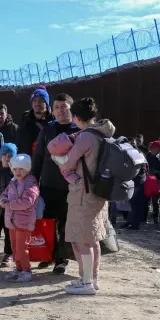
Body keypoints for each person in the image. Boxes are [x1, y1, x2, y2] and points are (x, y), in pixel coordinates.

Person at [48, 98, 112, 295]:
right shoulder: (103, 133)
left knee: (80, 240)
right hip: (99, 192)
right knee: (93, 239)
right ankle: (93, 278)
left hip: (83, 192)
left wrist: (57, 158)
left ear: (76, 117)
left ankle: (86, 282)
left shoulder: (85, 137)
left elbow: (68, 162)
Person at [31, 93, 80, 274]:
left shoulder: (79, 130)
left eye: (64, 106)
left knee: (65, 224)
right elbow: (38, 157)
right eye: (57, 107)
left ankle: (61, 259)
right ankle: (48, 255)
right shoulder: (47, 130)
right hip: (48, 184)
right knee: (46, 221)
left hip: (71, 186)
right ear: (52, 110)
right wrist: (33, 180)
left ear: (71, 109)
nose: (60, 110)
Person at [0, 154, 39, 282]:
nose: (18, 172)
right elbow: (4, 194)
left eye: (21, 169)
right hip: (12, 221)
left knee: (22, 248)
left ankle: (26, 270)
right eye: (15, 169)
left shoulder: (31, 183)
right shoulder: (13, 182)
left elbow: (27, 201)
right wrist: (3, 200)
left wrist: (9, 205)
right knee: (15, 247)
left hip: (24, 221)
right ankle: (18, 268)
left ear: (27, 169)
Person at [17, 86, 54, 155]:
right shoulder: (25, 120)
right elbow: (20, 141)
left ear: (46, 103)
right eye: (35, 100)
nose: (37, 103)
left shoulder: (53, 120)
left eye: (41, 100)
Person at [145, 140, 160, 225]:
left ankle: (156, 219)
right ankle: (144, 218)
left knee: (156, 201)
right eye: (159, 147)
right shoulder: (146, 157)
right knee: (146, 201)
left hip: (157, 182)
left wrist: (159, 173)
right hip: (147, 181)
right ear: (154, 148)